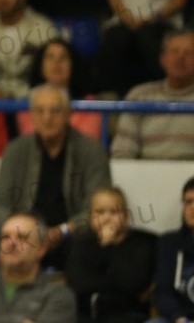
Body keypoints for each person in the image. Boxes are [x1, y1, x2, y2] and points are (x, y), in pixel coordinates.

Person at [0, 85, 111, 261]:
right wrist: (22, 230)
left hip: (70, 236)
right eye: (40, 111)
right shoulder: (15, 150)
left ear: (68, 114)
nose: (47, 118)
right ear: (31, 115)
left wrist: (63, 230)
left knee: (86, 244)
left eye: (55, 111)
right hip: (22, 232)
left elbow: (97, 210)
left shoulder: (92, 151)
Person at [0, 212, 76, 323]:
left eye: (22, 237)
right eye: (5, 237)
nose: (11, 243)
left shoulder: (58, 295)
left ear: (41, 249)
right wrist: (19, 321)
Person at [65, 186, 156, 323]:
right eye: (100, 212)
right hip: (85, 316)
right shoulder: (80, 244)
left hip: (127, 316)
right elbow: (78, 284)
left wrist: (108, 246)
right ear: (90, 217)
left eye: (114, 212)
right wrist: (115, 284)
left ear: (126, 216)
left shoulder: (142, 244)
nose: (107, 218)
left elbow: (133, 283)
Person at [110, 28, 194, 160]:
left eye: (189, 53)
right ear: (163, 59)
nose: (180, 57)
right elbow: (122, 151)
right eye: (174, 51)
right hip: (144, 170)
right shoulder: (139, 95)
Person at [15, 40, 102, 140]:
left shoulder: (90, 104)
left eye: (63, 57)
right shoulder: (27, 104)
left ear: (73, 65)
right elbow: (32, 141)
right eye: (50, 57)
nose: (57, 62)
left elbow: (87, 142)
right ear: (41, 66)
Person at [153, 175, 194, 323]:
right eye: (188, 202)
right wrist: (180, 319)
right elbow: (162, 291)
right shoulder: (169, 243)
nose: (192, 207)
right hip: (178, 318)